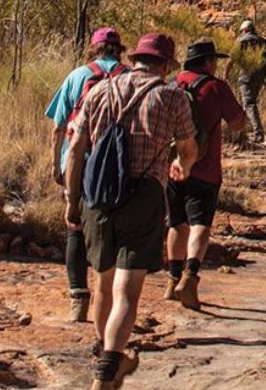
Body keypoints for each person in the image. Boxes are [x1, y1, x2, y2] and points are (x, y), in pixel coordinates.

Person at [64, 33, 197, 390]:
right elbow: (188, 147)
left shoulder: (100, 90)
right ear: (167, 65)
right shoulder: (172, 96)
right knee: (128, 290)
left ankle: (102, 354)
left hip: (98, 197)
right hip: (144, 196)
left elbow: (76, 148)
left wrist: (72, 199)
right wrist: (182, 166)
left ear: (135, 58)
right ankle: (106, 371)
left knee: (102, 283)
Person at [45, 27, 129, 322]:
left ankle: (78, 300)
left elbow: (58, 127)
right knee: (117, 232)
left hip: (79, 160)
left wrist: (57, 165)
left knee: (75, 227)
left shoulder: (76, 76)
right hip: (117, 165)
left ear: (93, 48)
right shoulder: (129, 77)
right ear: (119, 49)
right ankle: (114, 305)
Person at [165, 40, 246, 310]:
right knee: (200, 223)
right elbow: (237, 123)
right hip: (206, 167)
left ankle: (171, 277)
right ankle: (190, 275)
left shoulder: (172, 84)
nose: (216, 65)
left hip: (173, 166)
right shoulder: (216, 87)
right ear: (207, 62)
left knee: (176, 222)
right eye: (214, 60)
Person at [225, 20, 266, 142]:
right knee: (250, 104)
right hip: (261, 76)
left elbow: (232, 58)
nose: (241, 33)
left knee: (249, 104)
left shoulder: (242, 40)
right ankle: (241, 134)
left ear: (245, 30)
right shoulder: (264, 41)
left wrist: (225, 73)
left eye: (241, 31)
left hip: (246, 76)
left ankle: (258, 133)